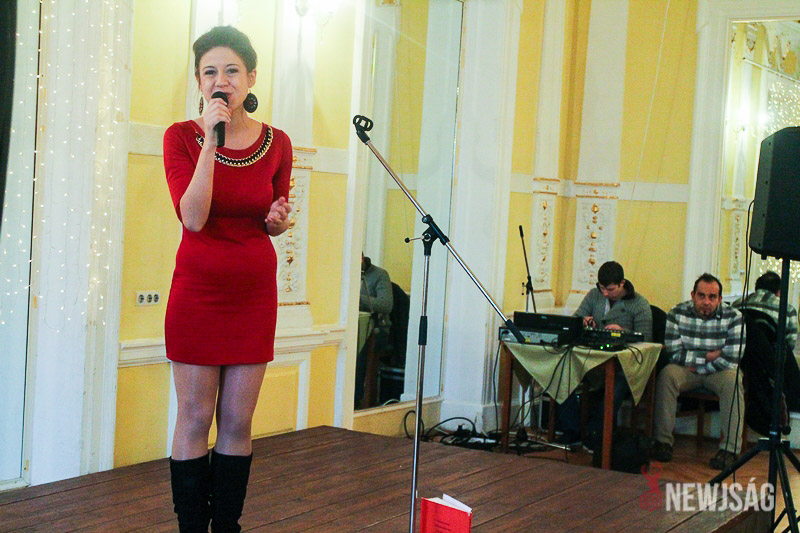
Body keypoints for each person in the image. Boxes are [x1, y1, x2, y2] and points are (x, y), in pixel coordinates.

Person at [163, 26, 293, 533]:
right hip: (198, 294)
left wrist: (277, 222)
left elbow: (272, 217)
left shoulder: (277, 143)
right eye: (210, 72)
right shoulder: (180, 137)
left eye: (232, 70)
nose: (221, 80)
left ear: (251, 77)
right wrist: (209, 143)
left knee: (238, 421)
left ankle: (228, 527)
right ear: (199, 81)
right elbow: (193, 218)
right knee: (196, 417)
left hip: (253, 295)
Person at [652, 273, 745, 470]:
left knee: (734, 381)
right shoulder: (676, 313)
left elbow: (731, 358)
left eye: (712, 297)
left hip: (720, 372)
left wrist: (700, 364)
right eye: (701, 296)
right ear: (693, 295)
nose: (706, 302)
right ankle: (662, 442)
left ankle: (729, 450)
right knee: (667, 375)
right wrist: (708, 356)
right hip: (686, 371)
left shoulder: (735, 317)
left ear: (720, 299)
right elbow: (673, 353)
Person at [556, 261, 653, 448]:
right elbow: (575, 319)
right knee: (561, 370)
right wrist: (584, 321)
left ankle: (595, 432)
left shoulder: (639, 304)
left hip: (623, 366)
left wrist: (623, 332)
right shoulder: (594, 295)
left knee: (618, 382)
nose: (605, 293)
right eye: (602, 288)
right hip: (591, 360)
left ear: (622, 283)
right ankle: (572, 429)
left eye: (610, 289)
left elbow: (647, 340)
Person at [355, 254, 393, 407]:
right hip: (356, 327)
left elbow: (386, 304)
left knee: (358, 354)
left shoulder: (379, 275)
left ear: (362, 258)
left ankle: (356, 399)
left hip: (376, 330)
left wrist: (356, 298)